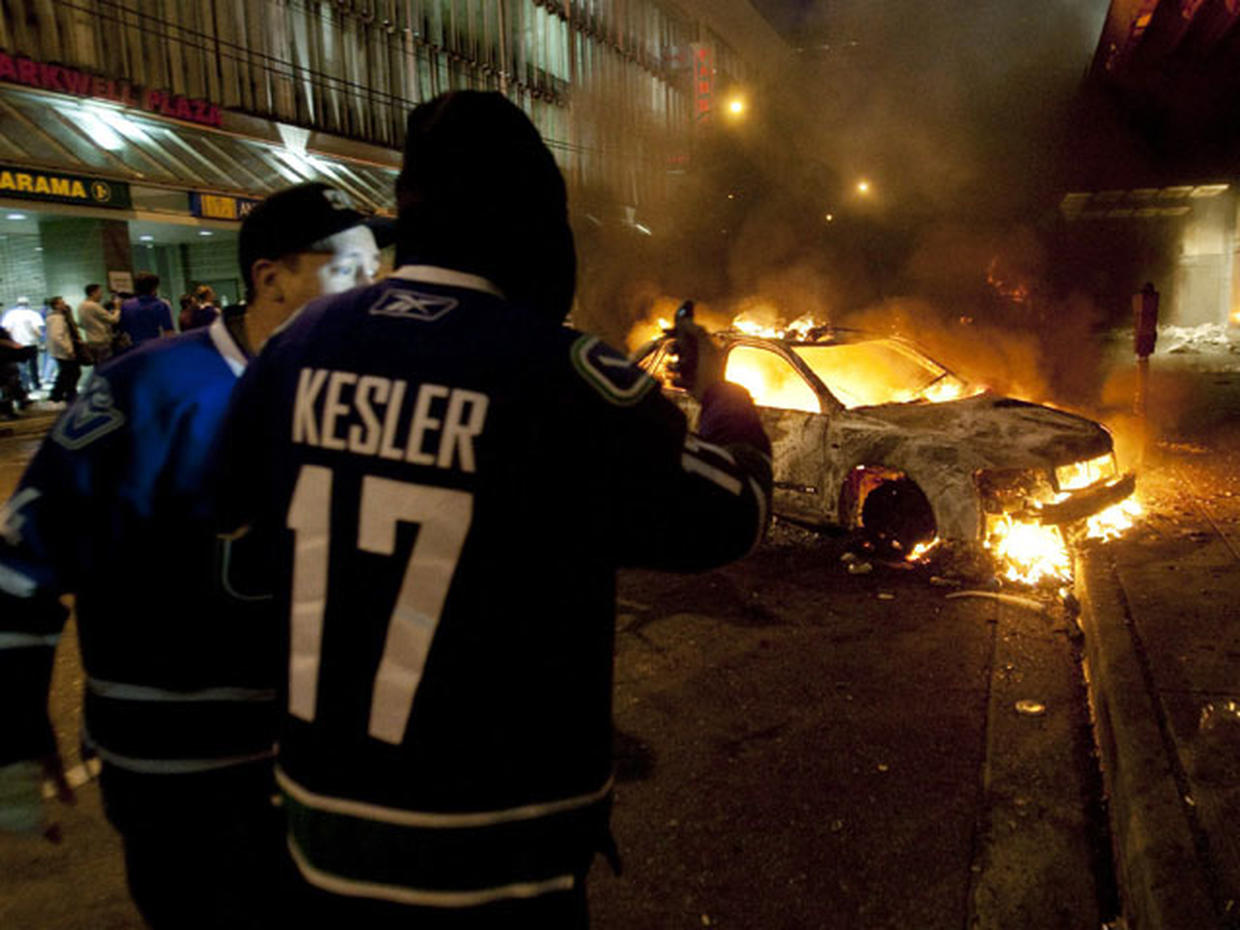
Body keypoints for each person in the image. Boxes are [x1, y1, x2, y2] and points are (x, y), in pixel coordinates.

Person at [213, 91, 773, 928]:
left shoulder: (297, 347)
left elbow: (237, 545)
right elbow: (733, 513)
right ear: (534, 226)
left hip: (317, 837)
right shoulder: (565, 377)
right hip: (496, 857)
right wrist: (722, 392)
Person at [0, 183, 387, 930]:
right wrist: (14, 732)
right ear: (272, 278)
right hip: (183, 775)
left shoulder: (361, 390)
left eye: (379, 272)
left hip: (321, 765)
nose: (374, 292)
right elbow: (22, 560)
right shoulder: (146, 391)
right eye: (351, 270)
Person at [44, 296, 85, 404]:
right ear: (56, 305)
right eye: (62, 303)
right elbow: (57, 336)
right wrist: (68, 349)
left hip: (59, 350)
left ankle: (59, 394)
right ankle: (67, 393)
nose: (64, 304)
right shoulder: (57, 319)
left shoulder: (56, 317)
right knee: (72, 372)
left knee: (66, 372)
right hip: (63, 351)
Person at [118, 272, 174, 348]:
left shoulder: (126, 305)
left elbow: (123, 330)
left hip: (134, 349)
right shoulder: (160, 305)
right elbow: (169, 333)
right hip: (154, 347)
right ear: (154, 288)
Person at [1, 296, 44, 393]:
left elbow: (8, 330)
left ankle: (25, 385)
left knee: (21, 366)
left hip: (17, 345)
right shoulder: (33, 314)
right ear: (28, 304)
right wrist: (41, 339)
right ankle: (36, 384)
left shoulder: (10, 314)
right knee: (34, 366)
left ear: (17, 304)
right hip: (31, 343)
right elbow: (36, 330)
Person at [77, 283, 120, 367]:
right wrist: (117, 308)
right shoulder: (94, 306)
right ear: (93, 293)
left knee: (97, 366)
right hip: (102, 341)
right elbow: (113, 320)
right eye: (100, 293)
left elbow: (80, 324)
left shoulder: (81, 306)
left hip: (91, 341)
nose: (101, 295)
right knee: (106, 366)